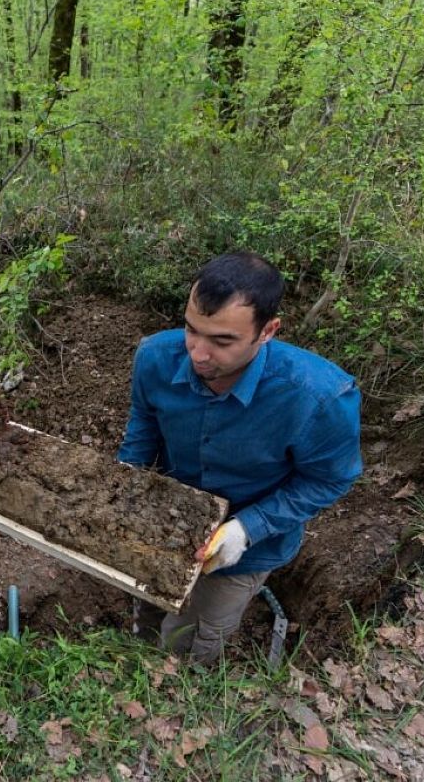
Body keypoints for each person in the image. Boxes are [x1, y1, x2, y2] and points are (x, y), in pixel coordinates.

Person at [119, 252, 362, 664]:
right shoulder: (156, 359)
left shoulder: (317, 398)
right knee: (148, 601)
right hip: (166, 521)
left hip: (246, 547)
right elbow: (144, 426)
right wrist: (124, 483)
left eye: (222, 341)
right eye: (192, 331)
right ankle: (139, 651)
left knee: (190, 633)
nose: (197, 353)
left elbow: (329, 479)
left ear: (267, 331)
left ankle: (177, 687)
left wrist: (248, 528)